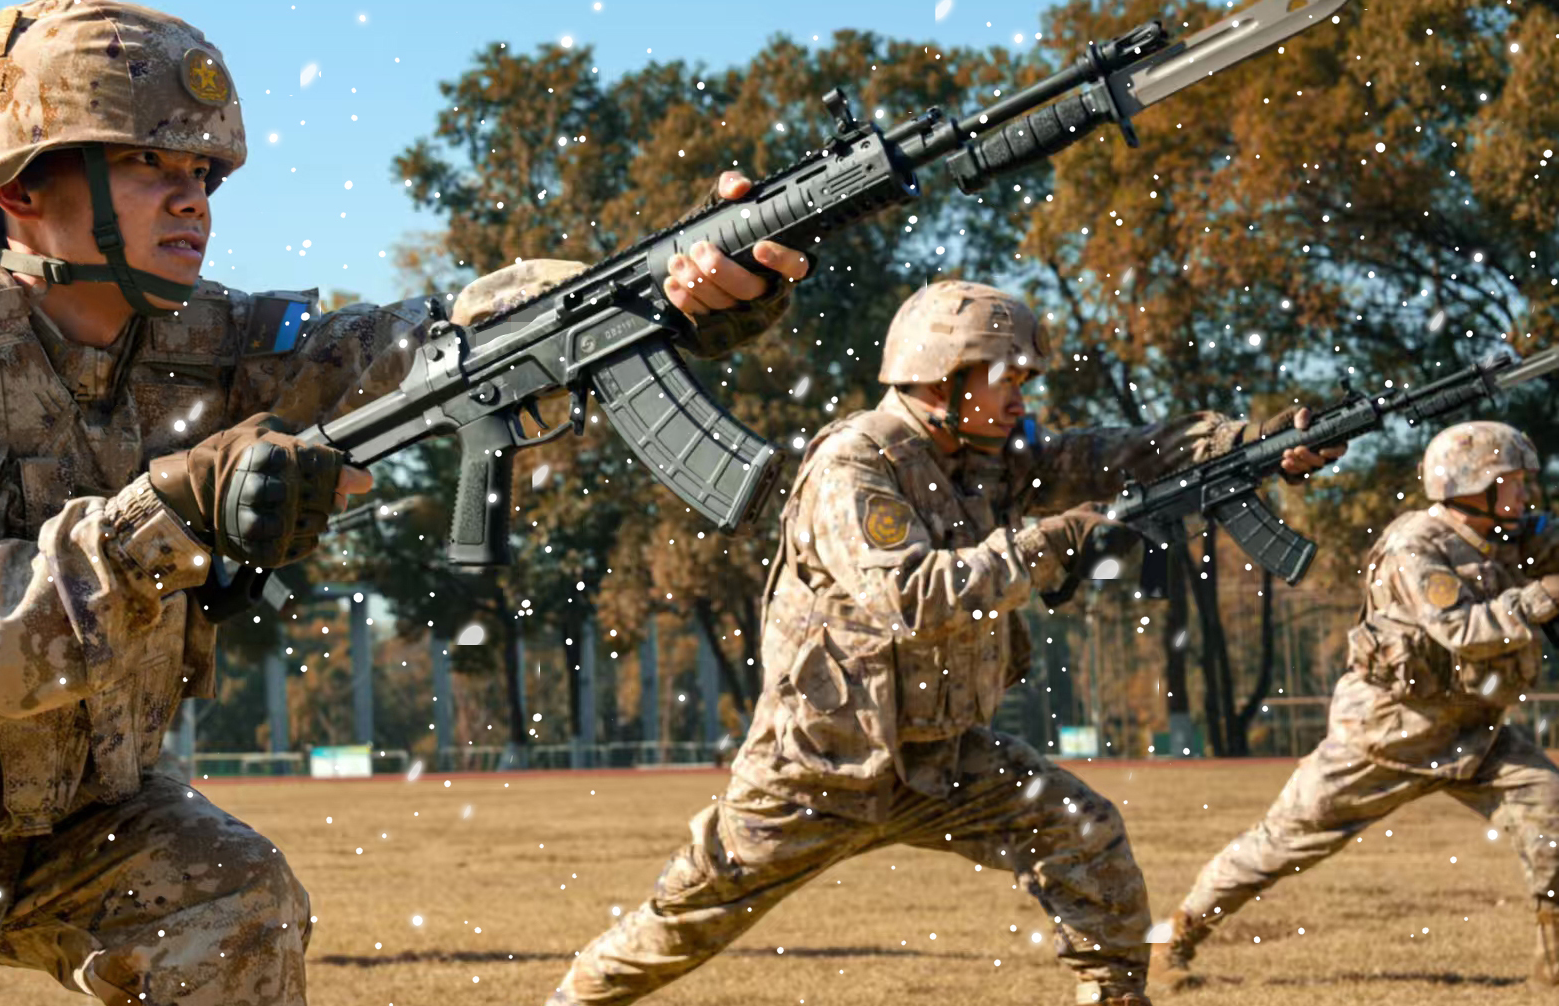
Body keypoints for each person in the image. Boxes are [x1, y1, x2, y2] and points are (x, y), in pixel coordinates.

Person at [0, 0, 809, 1006]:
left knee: (228, 901)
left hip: (51, 825)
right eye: (146, 163)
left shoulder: (224, 341)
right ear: (21, 188)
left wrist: (649, 294)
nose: (191, 194)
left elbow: (433, 343)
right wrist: (173, 515)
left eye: (202, 169)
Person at [548, 279, 1345, 1006]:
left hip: (937, 758)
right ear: (942, 375)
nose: (1019, 395)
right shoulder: (855, 461)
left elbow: (1114, 455)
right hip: (816, 769)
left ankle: (1113, 996)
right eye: (1006, 377)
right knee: (680, 924)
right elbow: (909, 596)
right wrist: (1054, 542)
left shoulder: (986, 458)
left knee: (1080, 829)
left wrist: (1248, 446)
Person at [1159, 420, 1559, 989]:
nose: (1526, 495)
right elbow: (1466, 631)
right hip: (1385, 733)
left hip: (1474, 732)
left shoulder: (1505, 534)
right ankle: (1173, 939)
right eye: (1514, 482)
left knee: (1551, 814)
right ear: (1474, 488)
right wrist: (1544, 595)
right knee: (1280, 843)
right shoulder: (1415, 546)